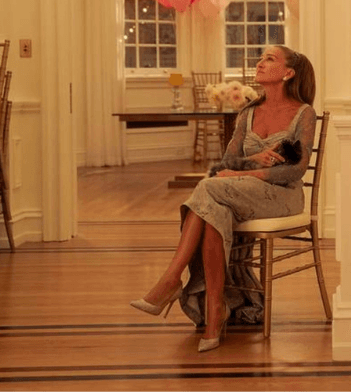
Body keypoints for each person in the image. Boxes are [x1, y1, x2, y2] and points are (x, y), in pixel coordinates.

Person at [130, 46, 317, 353]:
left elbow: (296, 170)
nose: (260, 62)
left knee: (208, 188)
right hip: (239, 192)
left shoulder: (303, 113)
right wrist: (254, 158)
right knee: (214, 205)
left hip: (282, 196)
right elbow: (227, 164)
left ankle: (172, 280)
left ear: (288, 73)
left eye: (270, 59)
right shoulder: (248, 113)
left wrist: (248, 176)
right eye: (262, 57)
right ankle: (215, 312)